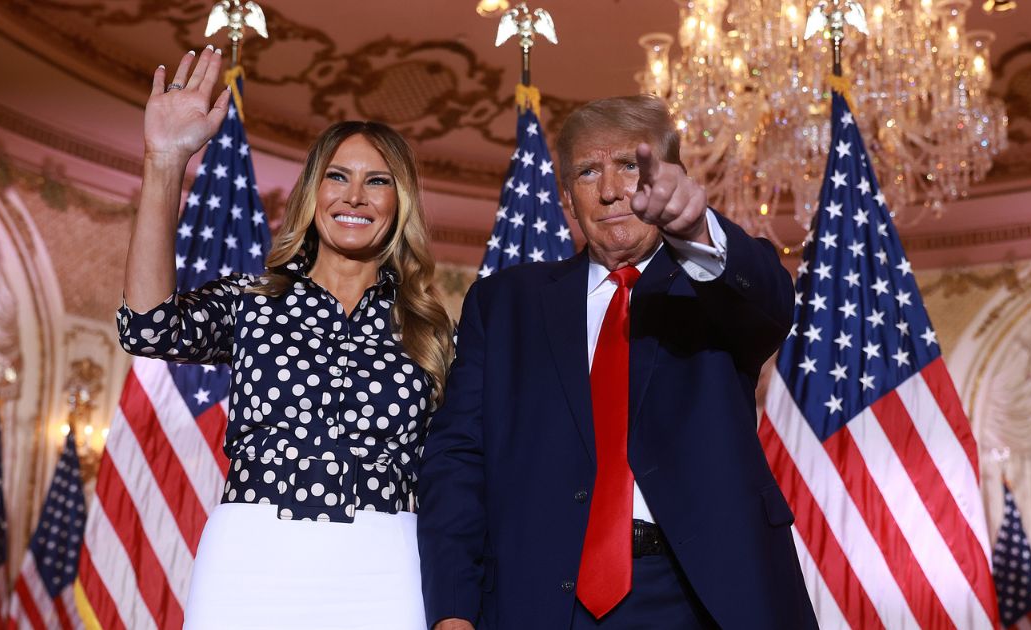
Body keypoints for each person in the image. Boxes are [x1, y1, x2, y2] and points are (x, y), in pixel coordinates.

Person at [418, 95, 817, 629]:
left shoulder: (711, 284)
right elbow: (458, 461)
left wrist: (697, 230)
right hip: (543, 598)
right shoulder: (505, 305)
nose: (610, 190)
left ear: (668, 176)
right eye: (588, 171)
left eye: (629, 167)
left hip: (701, 596)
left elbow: (771, 303)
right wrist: (452, 610)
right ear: (566, 194)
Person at [118, 45, 453, 628]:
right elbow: (147, 326)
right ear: (312, 194)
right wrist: (165, 162)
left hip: (386, 562)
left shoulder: (428, 327)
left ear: (399, 203)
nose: (354, 196)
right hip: (252, 557)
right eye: (337, 177)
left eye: (377, 181)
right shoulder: (254, 301)